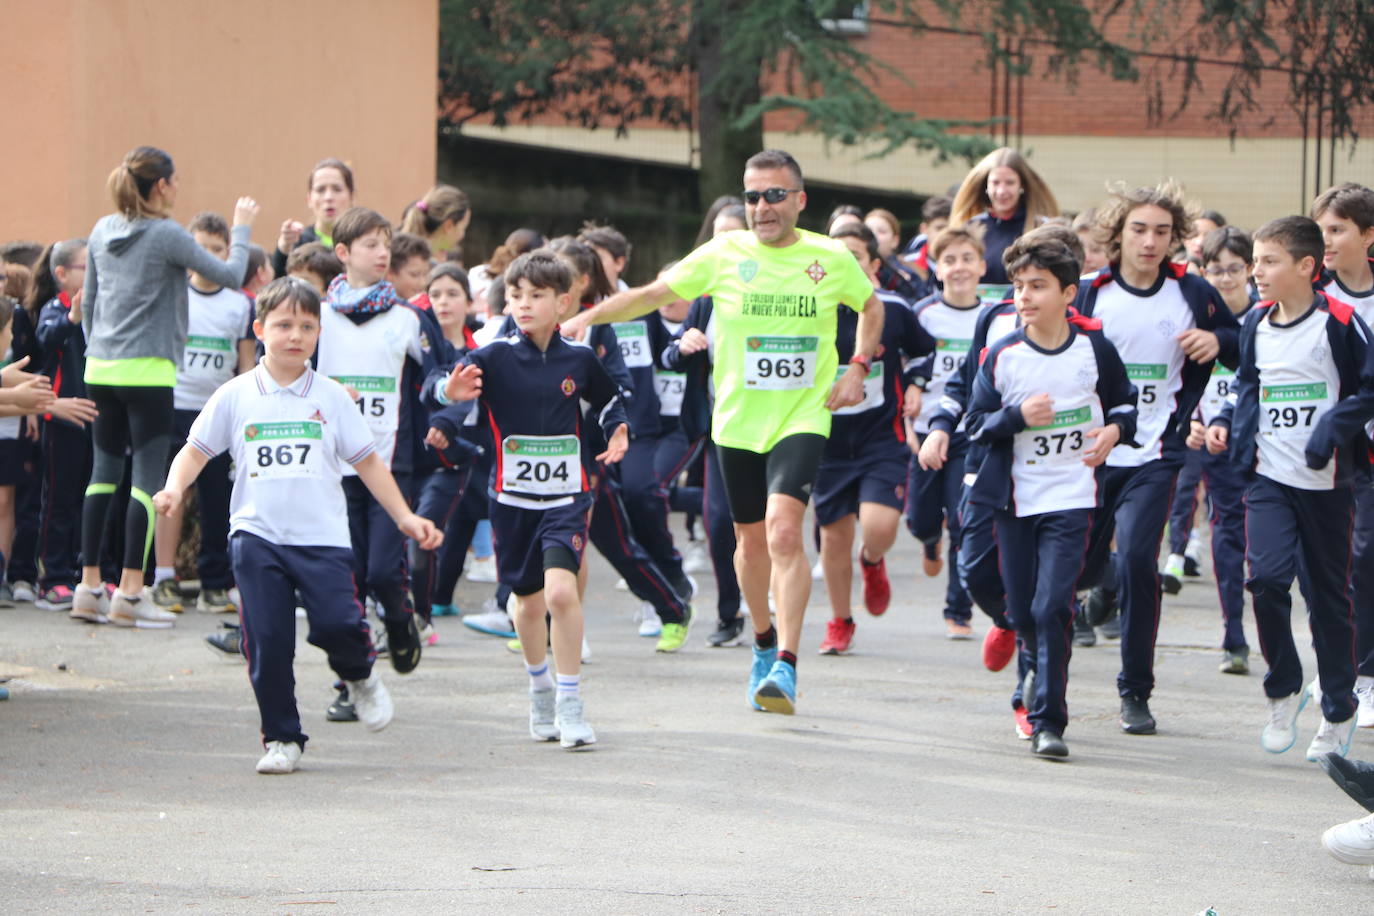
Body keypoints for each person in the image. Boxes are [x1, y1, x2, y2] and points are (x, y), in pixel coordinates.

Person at [562, 149, 882, 715]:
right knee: (751, 544)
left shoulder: (829, 257)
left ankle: (785, 662)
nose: (762, 206)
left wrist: (857, 366)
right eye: (753, 195)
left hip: (802, 415)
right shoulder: (725, 252)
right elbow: (653, 295)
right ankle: (760, 639)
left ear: (799, 200)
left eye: (774, 195)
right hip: (736, 422)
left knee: (785, 533)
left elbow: (871, 307)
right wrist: (590, 317)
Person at [154, 277, 441, 774]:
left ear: (318, 334)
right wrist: (176, 489)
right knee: (266, 639)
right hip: (256, 536)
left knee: (339, 624)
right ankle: (282, 738)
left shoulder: (331, 398)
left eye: (307, 326)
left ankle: (360, 676)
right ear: (261, 329)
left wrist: (405, 516)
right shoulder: (236, 394)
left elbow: (370, 463)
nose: (296, 335)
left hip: (323, 539)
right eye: (284, 325)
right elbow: (195, 451)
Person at [439, 250, 629, 749]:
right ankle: (539, 685)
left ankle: (570, 701)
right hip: (511, 499)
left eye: (536, 296)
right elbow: (443, 384)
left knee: (561, 594)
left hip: (567, 495)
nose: (523, 305)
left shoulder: (580, 360)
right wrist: (448, 391)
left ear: (563, 303)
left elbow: (610, 399)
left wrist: (619, 431)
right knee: (525, 605)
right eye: (516, 296)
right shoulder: (494, 356)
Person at [1072, 181, 1239, 735]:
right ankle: (1100, 585)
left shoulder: (1191, 292)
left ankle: (1135, 692)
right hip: (1091, 451)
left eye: (1162, 232)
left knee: (1143, 559)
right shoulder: (1092, 291)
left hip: (1156, 451)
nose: (1150, 242)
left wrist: (1217, 342)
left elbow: (1241, 340)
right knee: (1084, 566)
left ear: (1176, 239)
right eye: (1139, 230)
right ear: (1117, 234)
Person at [1206, 215, 1374, 761]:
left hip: (1328, 484)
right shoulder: (1254, 322)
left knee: (1328, 599)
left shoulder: (1341, 322)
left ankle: (1339, 708)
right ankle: (1283, 687)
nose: (1256, 272)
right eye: (1255, 261)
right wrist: (1230, 421)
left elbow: (1370, 390)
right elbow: (1249, 384)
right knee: (1266, 581)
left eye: (1268, 261)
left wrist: (1331, 429)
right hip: (1268, 477)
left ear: (1307, 266)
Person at [71, 146, 258, 628]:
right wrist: (240, 228)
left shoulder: (101, 230)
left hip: (102, 369)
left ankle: (89, 587)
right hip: (149, 370)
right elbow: (233, 275)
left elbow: (87, 304)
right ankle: (131, 593)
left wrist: (100, 353)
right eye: (174, 181)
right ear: (160, 187)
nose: (178, 188)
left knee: (103, 473)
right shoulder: (166, 235)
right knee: (147, 481)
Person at [966, 232, 1138, 758]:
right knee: (1021, 608)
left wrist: (1113, 432)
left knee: (1051, 608)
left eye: (1038, 286)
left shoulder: (1094, 348)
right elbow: (974, 424)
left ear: (1069, 294)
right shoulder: (1002, 355)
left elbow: (1125, 406)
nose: (1024, 296)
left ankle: (1049, 723)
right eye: (1019, 287)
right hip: (1015, 503)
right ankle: (1033, 662)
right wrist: (1017, 417)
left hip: (1071, 498)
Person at [317, 206, 431, 674]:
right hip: (330, 466)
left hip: (389, 465)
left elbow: (437, 378)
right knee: (351, 577)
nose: (383, 252)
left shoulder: (406, 318)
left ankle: (401, 620)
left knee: (384, 572)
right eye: (371, 244)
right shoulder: (317, 318)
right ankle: (352, 679)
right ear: (343, 253)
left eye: (386, 243)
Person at [814, 223, 934, 654]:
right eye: (837, 257)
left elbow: (924, 351)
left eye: (856, 258)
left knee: (879, 527)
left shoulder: (894, 308)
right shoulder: (812, 310)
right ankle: (840, 620)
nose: (845, 265)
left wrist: (917, 383)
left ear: (873, 265)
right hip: (826, 439)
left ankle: (873, 559)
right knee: (833, 536)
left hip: (881, 438)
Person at [150, 212, 256, 614]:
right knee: (173, 494)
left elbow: (245, 364)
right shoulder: (174, 293)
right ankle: (162, 577)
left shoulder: (240, 304)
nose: (209, 256)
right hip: (173, 408)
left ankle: (216, 582)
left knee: (219, 500)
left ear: (228, 253)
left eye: (218, 250)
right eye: (201, 249)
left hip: (219, 415)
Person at [1164, 227, 1255, 675]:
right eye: (1215, 269)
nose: (1225, 278)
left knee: (1268, 551)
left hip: (1265, 444)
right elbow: (1178, 380)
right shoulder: (1195, 318)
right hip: (1213, 443)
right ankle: (1233, 632)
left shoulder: (1265, 312)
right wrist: (1192, 422)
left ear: (1250, 269)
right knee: (1226, 532)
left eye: (1234, 269)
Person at [1312, 182, 1374, 725]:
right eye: (1322, 230)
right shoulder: (1315, 296)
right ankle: (1351, 666)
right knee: (1351, 559)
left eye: (1338, 230)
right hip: (1336, 449)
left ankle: (1364, 670)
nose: (1327, 240)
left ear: (1368, 235)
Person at [907, 227, 987, 638]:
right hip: (924, 431)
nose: (959, 268)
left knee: (961, 518)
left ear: (982, 266)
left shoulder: (993, 315)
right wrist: (907, 416)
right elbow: (905, 369)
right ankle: (927, 541)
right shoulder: (923, 313)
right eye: (950, 260)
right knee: (920, 518)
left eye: (967, 259)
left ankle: (959, 609)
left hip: (968, 433)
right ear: (937, 269)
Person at [30, 239, 101, 610]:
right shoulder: (54, 310)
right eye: (86, 268)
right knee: (60, 500)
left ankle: (81, 570)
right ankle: (52, 578)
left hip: (95, 419)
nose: (94, 275)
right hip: (63, 420)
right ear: (62, 275)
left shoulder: (100, 313)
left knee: (92, 498)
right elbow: (46, 340)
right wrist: (73, 316)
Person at [949, 148, 1059, 299]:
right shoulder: (969, 229)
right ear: (986, 186)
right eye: (995, 183)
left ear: (1022, 186)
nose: (1001, 191)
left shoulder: (1042, 228)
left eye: (1009, 183)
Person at [271, 158, 353, 277]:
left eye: (337, 189)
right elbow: (278, 285)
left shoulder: (362, 243)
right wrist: (284, 246)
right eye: (320, 190)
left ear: (351, 196)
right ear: (309, 199)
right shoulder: (298, 242)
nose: (328, 197)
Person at [399, 185, 471, 260]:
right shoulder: (420, 264)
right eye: (463, 228)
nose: (462, 236)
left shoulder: (411, 256)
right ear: (448, 226)